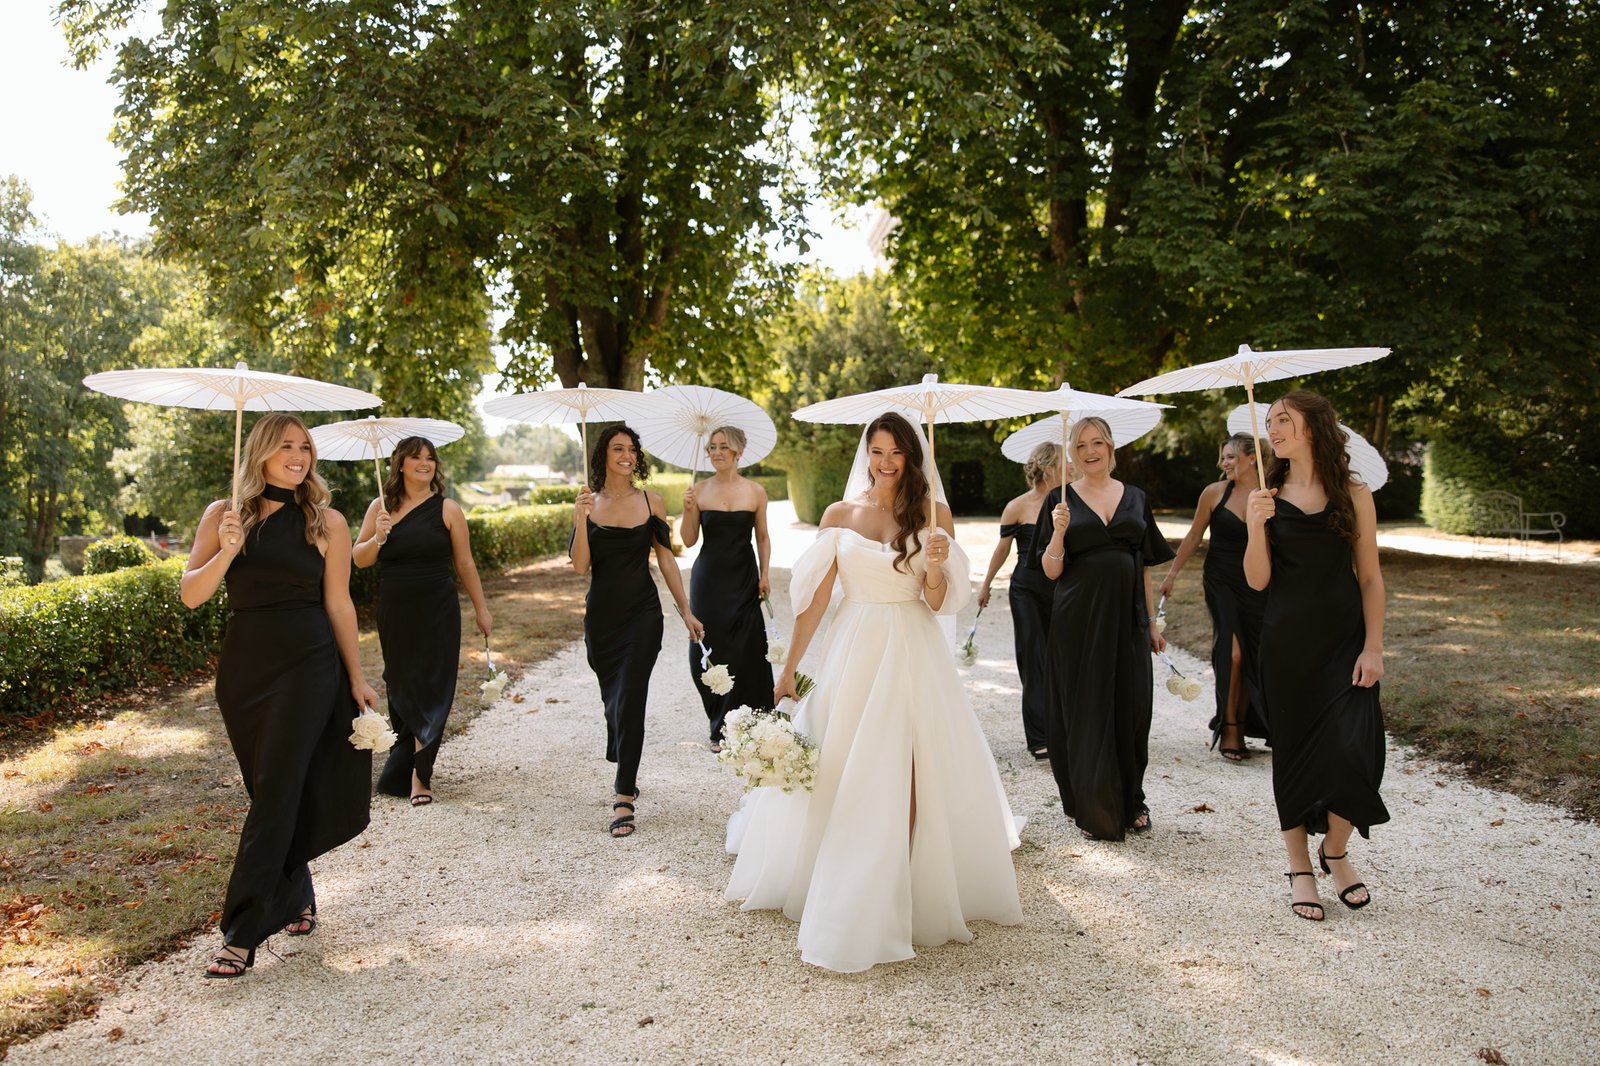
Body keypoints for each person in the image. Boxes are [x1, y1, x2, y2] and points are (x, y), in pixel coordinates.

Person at [724, 412, 1023, 973]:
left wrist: (935, 567)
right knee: (848, 761)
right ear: (868, 455)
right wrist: (787, 669)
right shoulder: (840, 515)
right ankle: (848, 869)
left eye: (897, 454)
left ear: (912, 457)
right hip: (856, 645)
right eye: (877, 452)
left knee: (913, 764)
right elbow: (815, 599)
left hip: (912, 648)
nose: (886, 463)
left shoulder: (935, 515)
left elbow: (937, 603)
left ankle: (907, 878)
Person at [180, 413, 374, 978]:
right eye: (286, 445)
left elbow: (339, 604)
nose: (299, 455)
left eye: (305, 446)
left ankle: (240, 933)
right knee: (271, 787)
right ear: (260, 451)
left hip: (308, 662)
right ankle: (296, 895)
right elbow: (193, 594)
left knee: (277, 787)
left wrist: (357, 676)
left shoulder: (327, 522)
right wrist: (226, 550)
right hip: (244, 670)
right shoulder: (224, 515)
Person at [1245, 391, 1388, 921]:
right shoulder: (1265, 494)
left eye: (1283, 419)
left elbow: (1370, 577)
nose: (1274, 428)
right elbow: (1257, 580)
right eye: (1270, 421)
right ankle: (1300, 866)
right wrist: (1256, 525)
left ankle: (1336, 850)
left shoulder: (1354, 493)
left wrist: (1373, 646)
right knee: (1296, 756)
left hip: (1346, 642)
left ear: (1313, 427)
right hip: (1286, 644)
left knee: (1356, 751)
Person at [1032, 416, 1175, 840]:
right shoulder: (1059, 501)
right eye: (1080, 445)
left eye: (1097, 442)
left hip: (1127, 619)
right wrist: (1058, 533)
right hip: (1078, 618)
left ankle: (1131, 798)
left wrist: (1150, 623)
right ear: (1072, 454)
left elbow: (1145, 567)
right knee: (1086, 706)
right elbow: (1049, 571)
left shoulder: (1135, 497)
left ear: (1111, 447)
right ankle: (1093, 803)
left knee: (1131, 707)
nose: (1089, 451)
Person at [570, 424, 703, 837]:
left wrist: (686, 610)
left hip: (643, 616)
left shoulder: (652, 502)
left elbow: (666, 561)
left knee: (630, 695)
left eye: (631, 449)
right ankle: (623, 751)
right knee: (615, 699)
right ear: (603, 455)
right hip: (602, 618)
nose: (626, 455)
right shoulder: (588, 502)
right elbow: (580, 566)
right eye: (617, 449)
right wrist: (579, 517)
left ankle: (623, 793)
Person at [353, 436, 491, 806]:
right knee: (400, 685)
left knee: (433, 687)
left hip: (438, 609)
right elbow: (359, 559)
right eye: (416, 458)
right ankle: (406, 762)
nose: (425, 463)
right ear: (400, 465)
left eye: (430, 458)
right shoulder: (379, 508)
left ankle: (420, 775)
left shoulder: (448, 509)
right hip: (395, 610)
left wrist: (482, 608)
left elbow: (464, 563)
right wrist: (378, 537)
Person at [1158, 434, 1271, 761]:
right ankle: (1230, 729)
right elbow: (1195, 534)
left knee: (1254, 653)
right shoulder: (1214, 493)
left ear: (1252, 458)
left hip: (1259, 583)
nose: (1225, 463)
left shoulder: (1269, 495)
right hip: (1220, 579)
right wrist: (1172, 573)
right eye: (1223, 457)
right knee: (1232, 652)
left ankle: (1257, 725)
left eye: (1231, 457)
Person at [680, 425, 774, 750]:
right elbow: (688, 540)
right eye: (712, 447)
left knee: (747, 647)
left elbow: (762, 536)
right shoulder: (699, 490)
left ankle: (751, 722)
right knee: (706, 649)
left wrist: (765, 574)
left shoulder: (755, 492)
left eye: (724, 446)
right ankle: (718, 724)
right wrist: (688, 509)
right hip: (709, 579)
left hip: (744, 576)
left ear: (738, 452)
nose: (717, 452)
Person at [977, 441, 1063, 759]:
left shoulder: (1069, 503)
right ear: (1050, 468)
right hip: (1026, 590)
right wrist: (985, 585)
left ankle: (1063, 729)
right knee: (1033, 659)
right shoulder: (1017, 506)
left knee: (1061, 659)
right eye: (1065, 465)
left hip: (1061, 588)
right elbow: (1002, 549)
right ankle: (1038, 737)